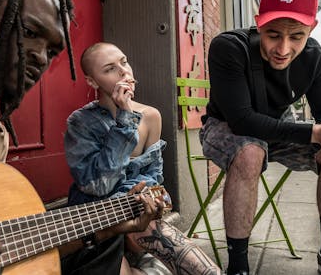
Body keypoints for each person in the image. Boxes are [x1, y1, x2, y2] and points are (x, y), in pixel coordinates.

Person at [0, 0, 161, 275]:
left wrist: (109, 227)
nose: (40, 56)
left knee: (104, 243)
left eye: (53, 50)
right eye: (29, 31)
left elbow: (5, 247)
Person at [199, 0, 321, 275]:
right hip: (226, 126)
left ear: (311, 29)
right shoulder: (228, 47)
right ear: (258, 23)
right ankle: (238, 268)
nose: (283, 48)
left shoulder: (314, 57)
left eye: (296, 36)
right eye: (273, 34)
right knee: (250, 152)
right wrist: (315, 131)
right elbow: (242, 120)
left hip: (278, 129)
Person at [64, 42, 221, 274]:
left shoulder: (150, 116)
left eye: (124, 62)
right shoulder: (80, 122)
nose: (124, 72)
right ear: (92, 81)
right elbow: (97, 185)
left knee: (154, 226)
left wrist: (153, 199)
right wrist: (124, 120)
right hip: (95, 223)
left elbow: (154, 179)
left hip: (136, 218)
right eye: (109, 69)